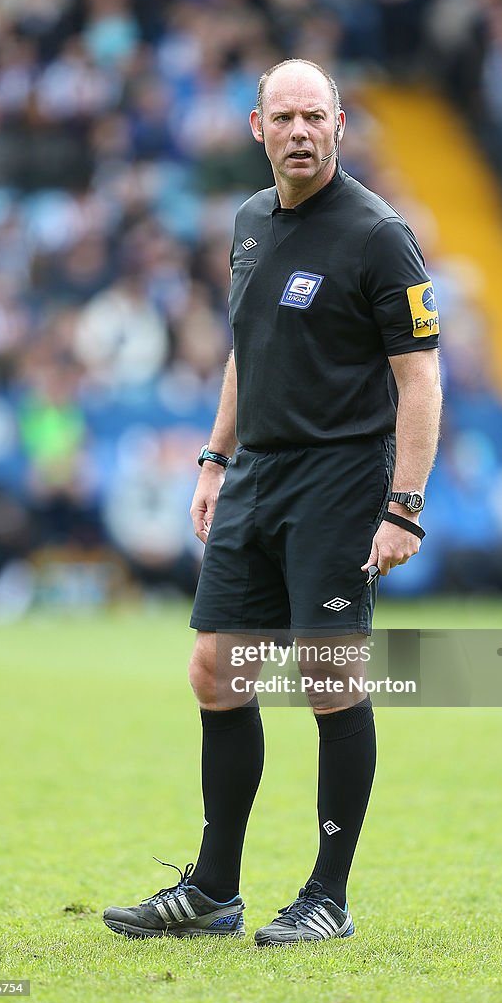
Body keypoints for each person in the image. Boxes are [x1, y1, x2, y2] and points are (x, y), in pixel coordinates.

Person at [103, 58, 442, 945]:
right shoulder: (249, 222)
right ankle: (214, 894)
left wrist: (402, 505)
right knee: (216, 671)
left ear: (339, 124)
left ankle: (327, 895)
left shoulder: (378, 234)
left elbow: (419, 379)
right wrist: (214, 459)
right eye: (282, 117)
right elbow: (245, 351)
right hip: (255, 473)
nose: (299, 132)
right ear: (257, 128)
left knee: (328, 682)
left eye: (314, 117)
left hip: (339, 477)